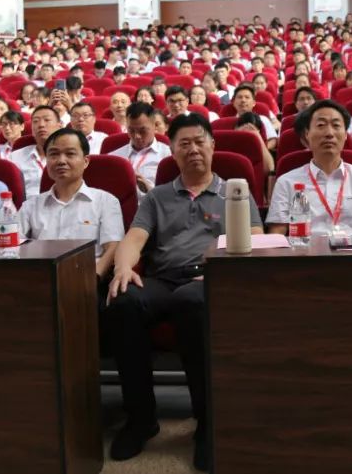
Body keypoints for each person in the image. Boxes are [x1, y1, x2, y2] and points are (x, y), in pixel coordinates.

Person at [106, 113, 263, 471]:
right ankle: (141, 418)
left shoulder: (234, 191)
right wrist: (123, 268)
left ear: (213, 146)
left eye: (199, 142)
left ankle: (206, 423)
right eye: (184, 144)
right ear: (173, 152)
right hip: (163, 278)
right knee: (123, 302)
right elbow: (135, 238)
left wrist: (222, 269)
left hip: (211, 279)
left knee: (190, 303)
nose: (193, 149)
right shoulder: (157, 196)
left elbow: (255, 238)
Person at [266, 100, 352, 236]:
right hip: (305, 249)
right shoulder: (287, 182)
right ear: (307, 134)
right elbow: (277, 233)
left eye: (336, 125)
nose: (329, 133)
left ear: (345, 135)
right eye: (321, 125)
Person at [18, 128, 124, 277]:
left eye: (70, 154)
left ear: (85, 161)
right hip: (40, 279)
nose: (61, 161)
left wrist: (94, 279)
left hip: (86, 278)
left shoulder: (106, 201)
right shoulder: (31, 206)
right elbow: (11, 246)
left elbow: (113, 248)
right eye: (54, 154)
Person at [109, 102, 172, 199]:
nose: (137, 136)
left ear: (154, 126)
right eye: (131, 130)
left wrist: (150, 190)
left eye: (142, 131)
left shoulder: (168, 155)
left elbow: (175, 197)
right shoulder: (114, 157)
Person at [8, 105, 59, 198]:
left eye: (47, 120)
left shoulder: (69, 156)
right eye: (36, 121)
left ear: (59, 126)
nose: (41, 125)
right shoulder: (15, 157)